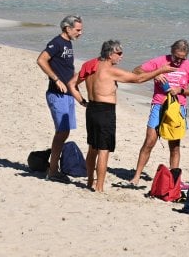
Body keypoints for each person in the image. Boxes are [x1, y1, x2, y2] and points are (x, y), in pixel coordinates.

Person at [68, 40, 177, 192]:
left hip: (91, 109)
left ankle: (90, 182)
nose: (121, 57)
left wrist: (82, 101)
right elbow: (138, 79)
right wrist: (160, 70)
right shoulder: (110, 70)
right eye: (119, 54)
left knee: (92, 147)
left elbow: (72, 84)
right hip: (105, 111)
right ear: (110, 54)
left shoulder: (90, 65)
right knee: (103, 150)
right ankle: (99, 187)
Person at [129, 39, 189, 186]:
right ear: (171, 52)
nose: (179, 61)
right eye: (176, 57)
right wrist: (155, 74)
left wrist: (181, 90)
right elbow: (136, 71)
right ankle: (136, 176)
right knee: (149, 141)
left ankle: (174, 180)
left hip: (177, 108)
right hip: (159, 105)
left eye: (182, 58)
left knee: (174, 145)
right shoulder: (160, 61)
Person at [36, 15, 84, 182]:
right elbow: (41, 60)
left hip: (68, 94)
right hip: (57, 94)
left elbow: (66, 68)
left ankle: (53, 166)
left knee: (65, 131)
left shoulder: (68, 43)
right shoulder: (56, 42)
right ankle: (53, 169)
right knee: (62, 131)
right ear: (67, 28)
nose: (80, 33)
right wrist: (56, 79)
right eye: (78, 30)